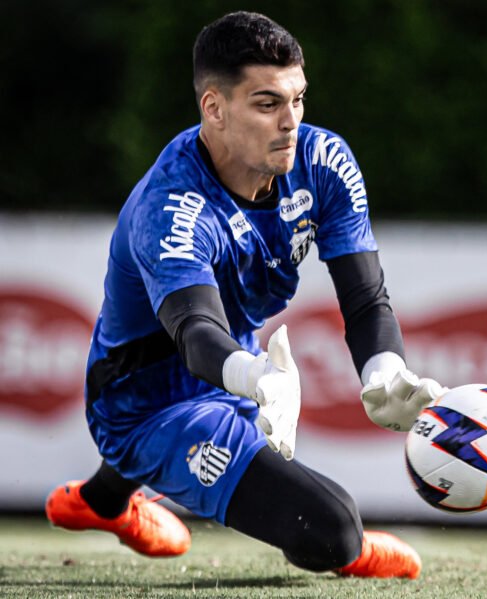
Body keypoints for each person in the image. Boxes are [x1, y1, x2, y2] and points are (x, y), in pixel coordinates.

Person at [45, 11, 447, 579]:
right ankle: (125, 480)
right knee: (334, 528)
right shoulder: (172, 205)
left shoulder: (323, 162)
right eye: (267, 104)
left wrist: (384, 371)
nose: (291, 122)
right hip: (143, 407)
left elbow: (365, 298)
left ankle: (100, 501)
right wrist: (258, 377)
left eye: (298, 99)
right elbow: (195, 335)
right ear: (214, 108)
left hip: (229, 373)